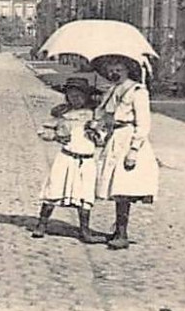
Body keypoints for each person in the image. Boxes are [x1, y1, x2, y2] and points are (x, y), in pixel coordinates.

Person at [91, 55, 159, 249]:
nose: (114, 73)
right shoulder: (112, 90)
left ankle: (122, 232)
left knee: (124, 188)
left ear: (128, 69)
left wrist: (134, 150)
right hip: (115, 138)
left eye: (118, 70)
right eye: (111, 70)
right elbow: (105, 115)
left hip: (128, 139)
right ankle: (118, 229)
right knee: (115, 187)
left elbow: (143, 122)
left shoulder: (137, 91)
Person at [33, 84, 101, 241]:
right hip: (66, 158)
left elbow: (103, 139)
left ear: (87, 96)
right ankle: (41, 225)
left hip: (86, 160)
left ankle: (85, 231)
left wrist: (95, 131)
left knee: (84, 194)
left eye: (79, 96)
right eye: (71, 96)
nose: (75, 99)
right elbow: (43, 131)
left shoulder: (95, 115)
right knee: (54, 189)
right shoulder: (63, 114)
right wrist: (56, 136)